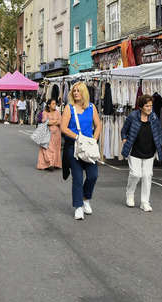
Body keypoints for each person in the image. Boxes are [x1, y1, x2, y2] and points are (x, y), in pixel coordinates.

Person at [60, 82, 101, 220]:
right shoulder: (69, 107)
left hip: (89, 146)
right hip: (73, 146)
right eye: (74, 91)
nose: (76, 93)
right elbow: (63, 128)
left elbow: (98, 125)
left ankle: (85, 198)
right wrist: (78, 137)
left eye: (78, 90)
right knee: (77, 177)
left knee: (93, 175)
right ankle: (78, 206)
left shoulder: (91, 107)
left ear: (84, 92)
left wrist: (94, 140)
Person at [120, 95, 162, 212]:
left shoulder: (154, 117)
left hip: (149, 151)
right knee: (135, 174)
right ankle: (130, 194)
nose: (149, 108)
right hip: (134, 151)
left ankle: (145, 202)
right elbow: (124, 130)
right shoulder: (133, 116)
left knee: (147, 176)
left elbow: (159, 132)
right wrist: (125, 140)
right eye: (147, 106)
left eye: (151, 106)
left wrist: (158, 144)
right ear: (141, 107)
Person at [37, 99, 62, 171]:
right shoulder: (45, 112)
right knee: (48, 148)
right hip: (47, 132)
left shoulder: (58, 112)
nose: (54, 105)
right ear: (49, 105)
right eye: (53, 104)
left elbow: (60, 121)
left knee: (55, 148)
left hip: (56, 133)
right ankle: (50, 163)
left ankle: (54, 163)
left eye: (55, 104)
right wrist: (55, 121)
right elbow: (45, 121)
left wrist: (52, 122)